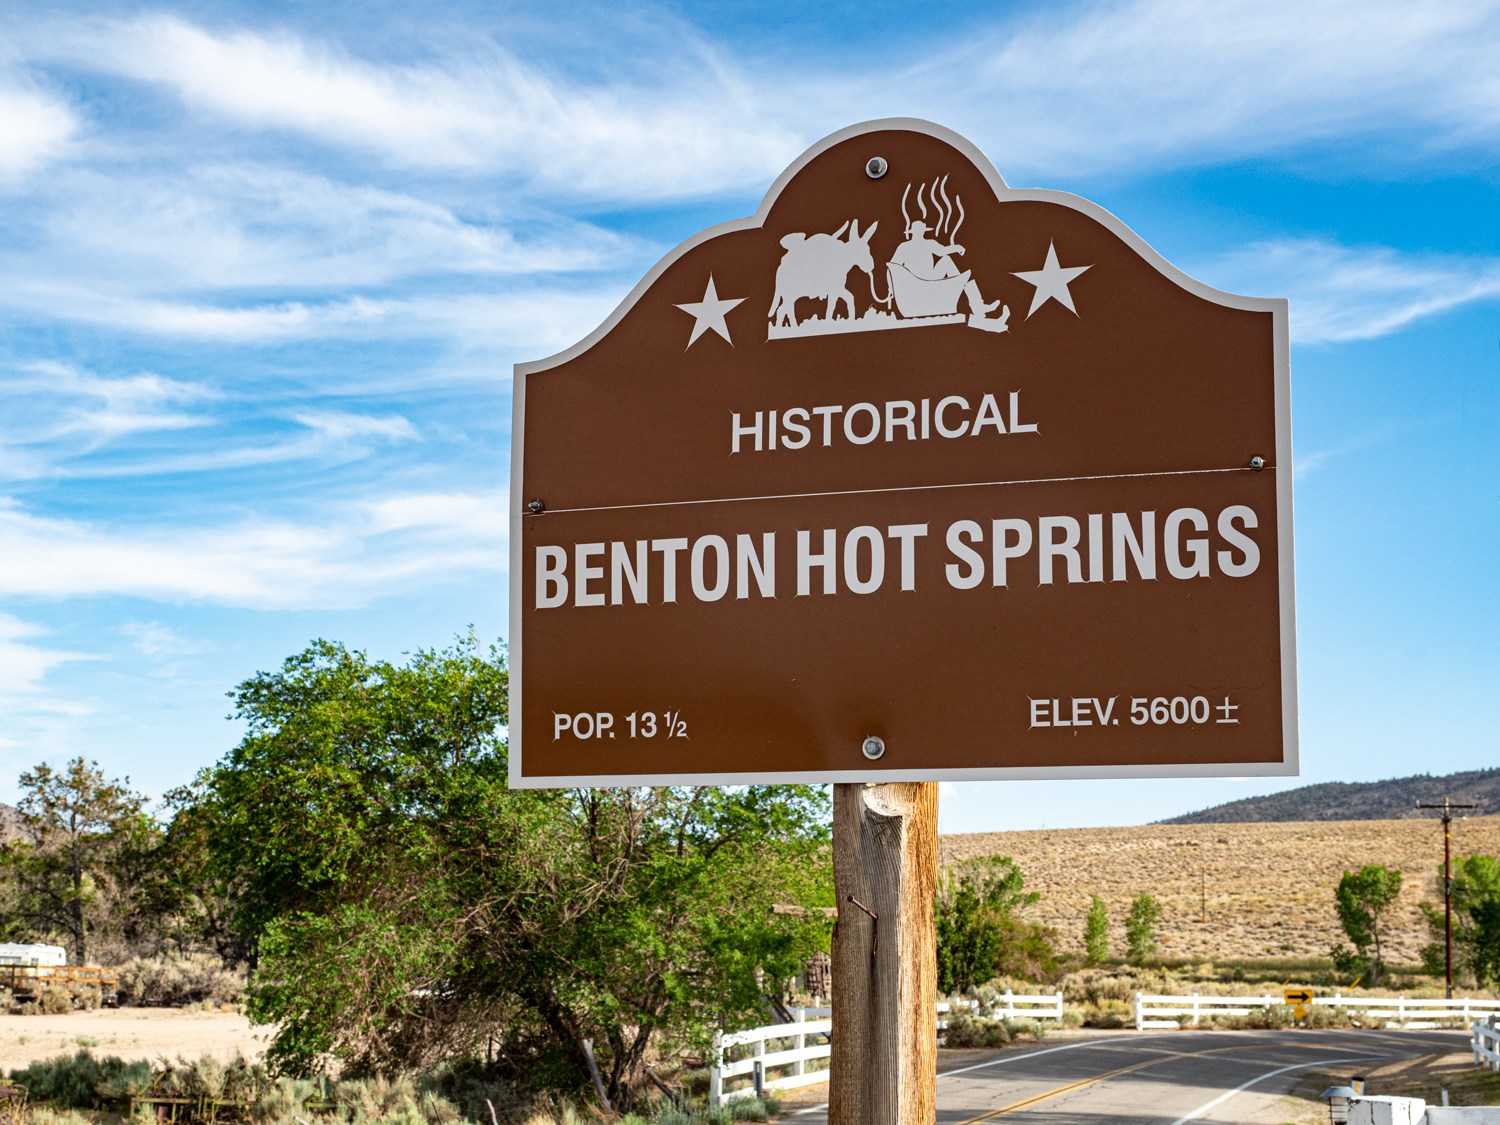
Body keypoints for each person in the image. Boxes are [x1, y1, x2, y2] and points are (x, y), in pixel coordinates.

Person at [889, 221, 999, 317]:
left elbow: (942, 251)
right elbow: (892, 267)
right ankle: (975, 303)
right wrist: (891, 287)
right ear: (914, 232)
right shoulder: (904, 247)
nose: (921, 233)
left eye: (922, 230)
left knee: (946, 260)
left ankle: (976, 303)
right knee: (951, 266)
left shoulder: (928, 243)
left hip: (930, 278)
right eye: (919, 230)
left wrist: (956, 248)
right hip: (915, 282)